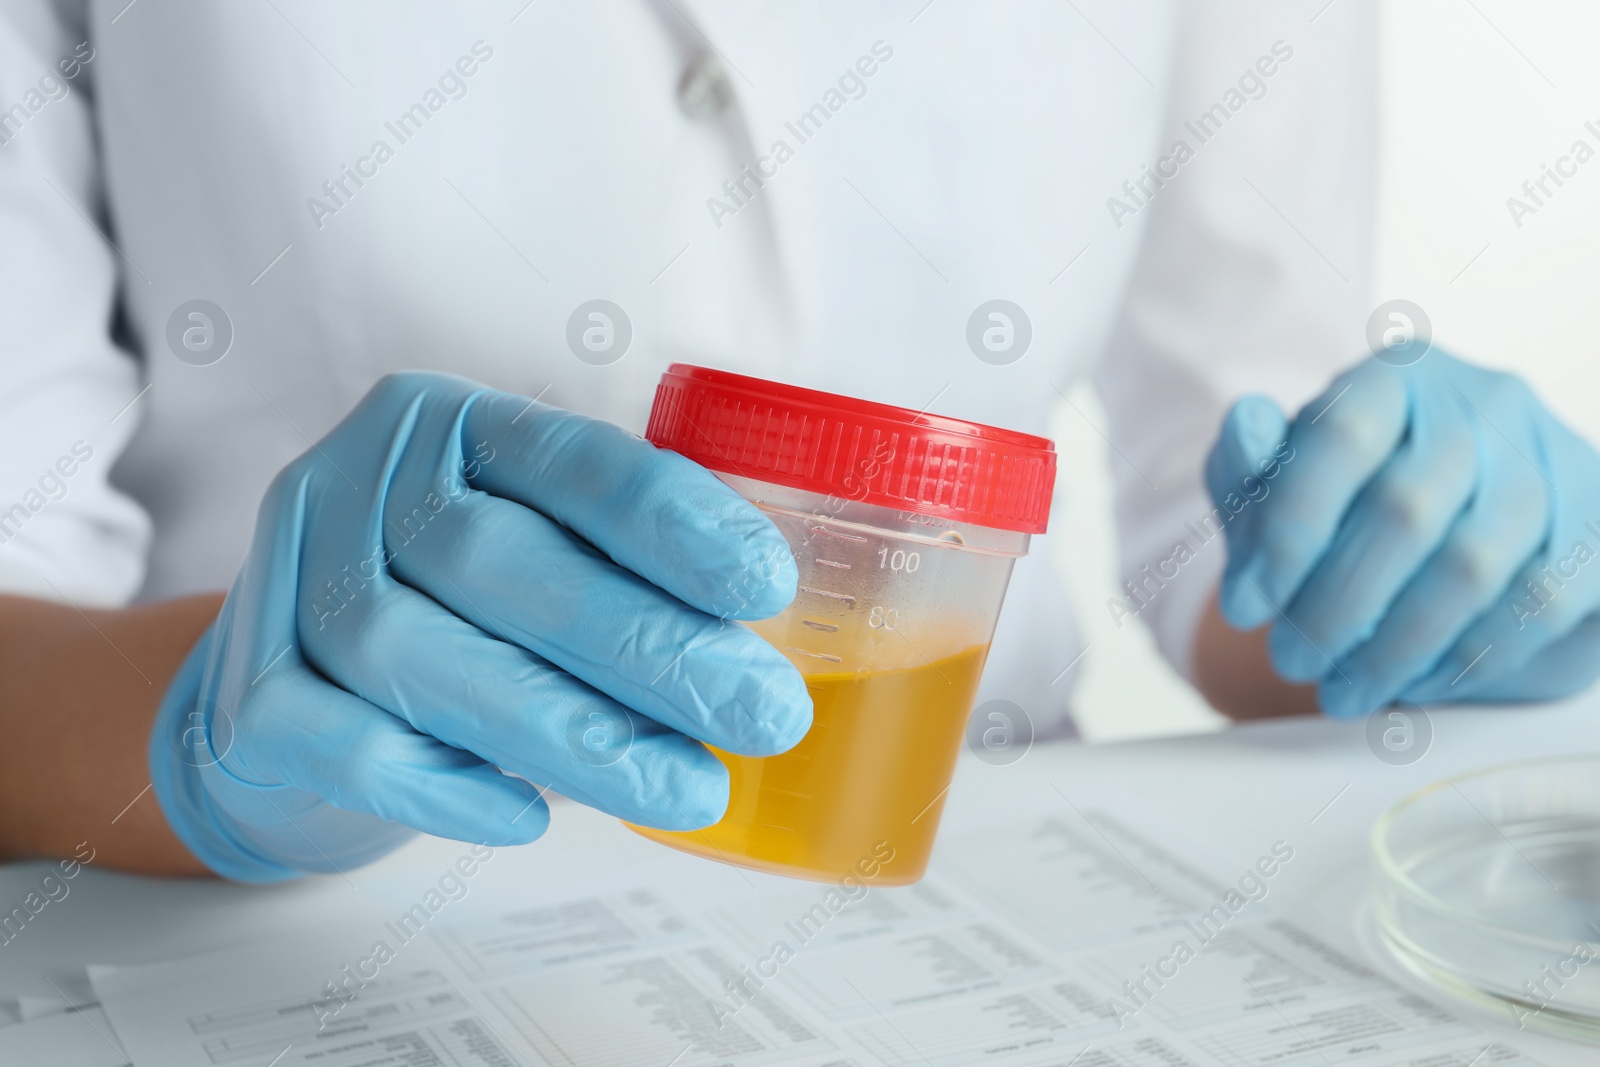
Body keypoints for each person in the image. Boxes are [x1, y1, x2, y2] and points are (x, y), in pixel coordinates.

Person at [1, 1, 1596, 879]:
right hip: (276, 924)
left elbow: (1227, 521)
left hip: (991, 897)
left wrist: (1431, 569)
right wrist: (208, 739)